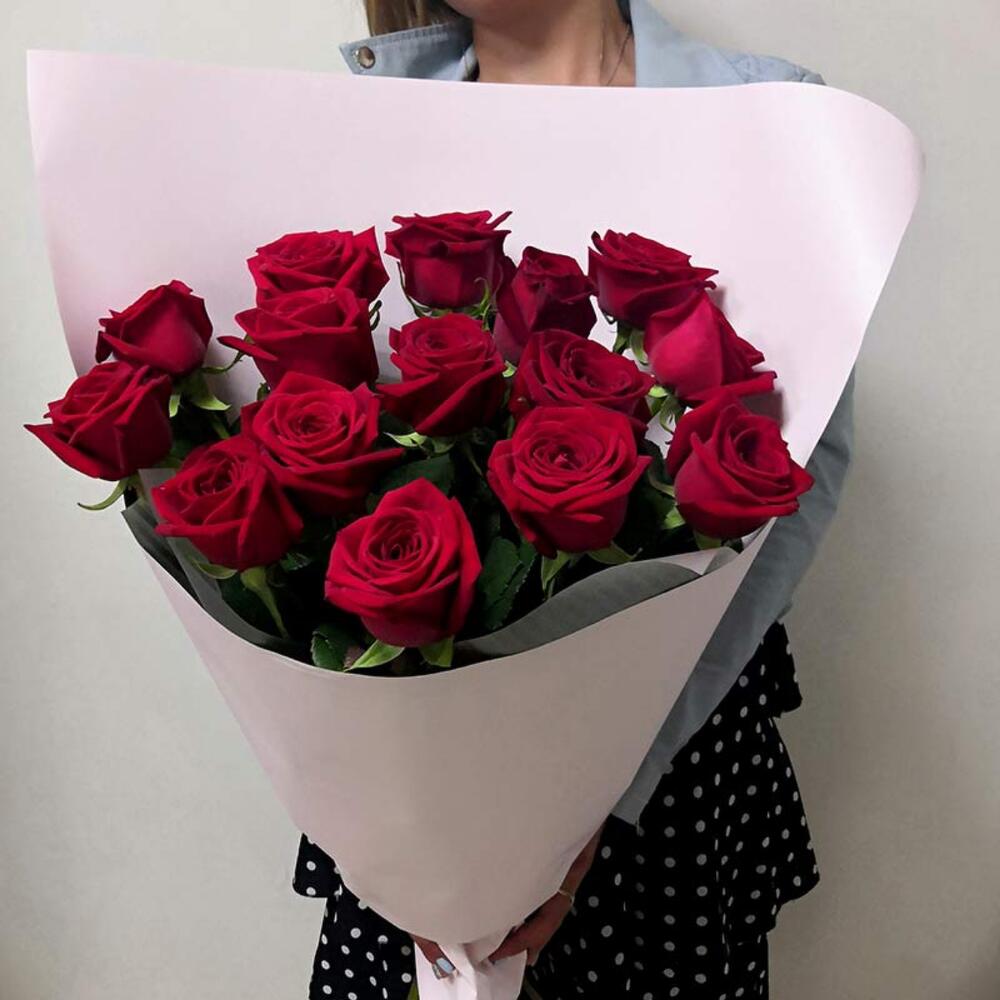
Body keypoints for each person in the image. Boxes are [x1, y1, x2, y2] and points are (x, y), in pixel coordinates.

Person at [293, 2, 854, 997]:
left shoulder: (767, 118)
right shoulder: (359, 115)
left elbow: (801, 473)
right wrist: (390, 798)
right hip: (415, 759)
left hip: (669, 754)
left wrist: (607, 781)